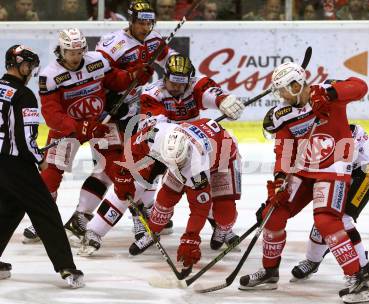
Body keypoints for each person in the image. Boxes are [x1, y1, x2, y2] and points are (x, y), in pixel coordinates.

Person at [239, 61, 369, 304]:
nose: (280, 95)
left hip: (333, 167)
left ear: (295, 84)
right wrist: (280, 178)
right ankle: (270, 272)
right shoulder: (283, 113)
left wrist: (329, 94)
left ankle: (358, 278)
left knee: (326, 220)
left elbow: (361, 86)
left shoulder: (327, 90)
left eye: (282, 89)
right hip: (303, 170)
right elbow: (284, 149)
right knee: (273, 213)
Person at [59, 0, 177, 249]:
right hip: (108, 114)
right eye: (141, 22)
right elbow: (96, 74)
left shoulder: (155, 39)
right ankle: (82, 217)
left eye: (149, 23)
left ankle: (146, 211)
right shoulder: (113, 44)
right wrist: (117, 92)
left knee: (146, 163)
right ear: (131, 21)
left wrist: (182, 72)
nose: (145, 28)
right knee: (107, 168)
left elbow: (171, 62)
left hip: (137, 114)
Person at [21, 28, 150, 244]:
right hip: (68, 129)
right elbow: (51, 114)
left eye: (79, 51)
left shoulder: (96, 61)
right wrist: (80, 127)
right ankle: (42, 219)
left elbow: (115, 81)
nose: (76, 56)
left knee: (117, 169)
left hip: (102, 123)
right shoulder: (50, 75)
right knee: (51, 173)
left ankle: (98, 216)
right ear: (61, 51)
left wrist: (133, 76)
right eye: (71, 52)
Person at [79, 117, 241, 270]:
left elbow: (199, 208)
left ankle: (224, 228)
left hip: (224, 156)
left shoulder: (197, 165)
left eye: (178, 163)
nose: (174, 167)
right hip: (191, 150)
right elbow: (133, 147)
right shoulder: (157, 133)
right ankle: (153, 231)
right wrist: (124, 175)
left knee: (224, 210)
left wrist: (190, 240)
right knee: (165, 198)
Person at [0, 45, 83, 288]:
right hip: (17, 164)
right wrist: (40, 158)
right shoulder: (24, 95)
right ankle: (67, 268)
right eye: (28, 66)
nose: (30, 71)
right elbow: (26, 138)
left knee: (9, 209)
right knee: (45, 211)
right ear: (15, 64)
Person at [282, 123, 369, 290]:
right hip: (346, 170)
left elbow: (340, 158)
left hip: (368, 171)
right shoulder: (315, 136)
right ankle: (312, 260)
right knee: (324, 214)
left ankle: (363, 269)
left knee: (339, 218)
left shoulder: (334, 136)